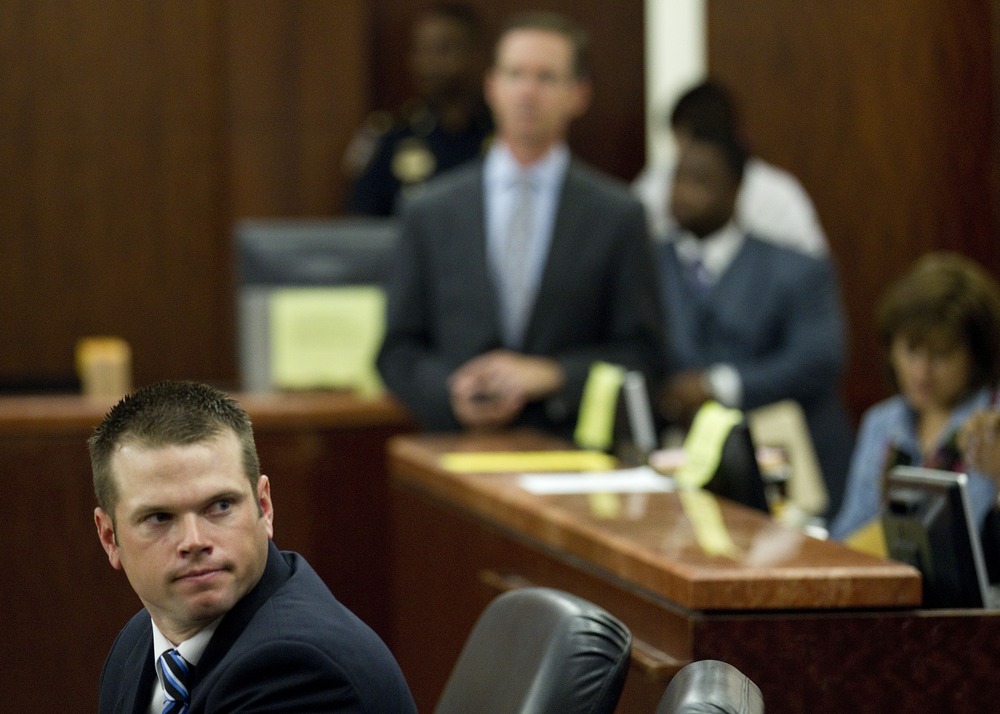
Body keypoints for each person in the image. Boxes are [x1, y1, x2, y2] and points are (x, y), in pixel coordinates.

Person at [376, 12, 663, 436]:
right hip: (456, 446)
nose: (528, 92)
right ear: (492, 86)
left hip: (569, 447)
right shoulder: (430, 210)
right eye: (515, 75)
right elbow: (397, 352)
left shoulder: (618, 215)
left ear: (579, 94)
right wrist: (452, 391)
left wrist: (554, 374)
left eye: (546, 77)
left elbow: (645, 357)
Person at [91, 381, 417, 713]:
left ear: (264, 506)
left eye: (221, 506)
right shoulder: (136, 645)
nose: (194, 540)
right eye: (159, 517)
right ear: (109, 538)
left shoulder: (296, 670)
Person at [654, 124, 854, 517]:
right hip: (680, 468)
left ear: (735, 188)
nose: (682, 193)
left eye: (700, 181)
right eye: (676, 178)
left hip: (784, 467)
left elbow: (819, 358)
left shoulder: (796, 270)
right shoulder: (648, 263)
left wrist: (719, 385)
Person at [829, 253, 1000, 540]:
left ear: (976, 355)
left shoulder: (993, 423)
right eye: (911, 351)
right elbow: (849, 534)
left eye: (940, 355)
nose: (921, 373)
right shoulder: (881, 422)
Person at [632, 79, 828, 257]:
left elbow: (810, 268)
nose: (684, 195)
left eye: (703, 183)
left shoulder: (778, 194)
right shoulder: (655, 185)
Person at [345, 3, 494, 216]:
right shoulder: (392, 137)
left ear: (477, 54)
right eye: (420, 50)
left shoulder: (502, 136)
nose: (428, 62)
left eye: (443, 49)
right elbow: (361, 222)